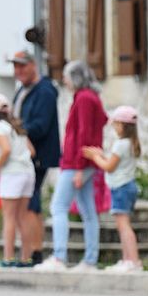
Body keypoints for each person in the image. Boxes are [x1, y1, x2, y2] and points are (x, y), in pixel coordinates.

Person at [35, 61, 107, 272]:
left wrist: (77, 167)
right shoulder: (91, 97)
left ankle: (59, 257)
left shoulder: (83, 98)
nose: (64, 81)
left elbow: (83, 134)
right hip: (85, 162)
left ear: (75, 78)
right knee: (87, 210)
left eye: (66, 76)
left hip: (77, 162)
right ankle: (90, 260)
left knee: (58, 207)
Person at [9, 51, 60, 266]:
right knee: (30, 203)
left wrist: (18, 131)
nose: (18, 71)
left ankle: (33, 253)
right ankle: (33, 252)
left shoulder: (45, 90)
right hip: (24, 154)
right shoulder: (24, 89)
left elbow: (40, 125)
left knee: (30, 204)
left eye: (22, 66)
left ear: (33, 65)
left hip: (36, 155)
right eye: (15, 67)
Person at [82, 106, 143, 272]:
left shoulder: (120, 144)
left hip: (120, 188)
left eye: (116, 124)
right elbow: (116, 162)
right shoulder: (130, 143)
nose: (114, 128)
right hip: (128, 186)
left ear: (123, 125)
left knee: (123, 226)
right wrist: (100, 154)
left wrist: (95, 157)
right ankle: (128, 261)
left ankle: (132, 261)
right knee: (124, 225)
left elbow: (109, 167)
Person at [0, 93, 35, 267]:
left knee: (9, 217)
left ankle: (8, 258)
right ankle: (26, 258)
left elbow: (6, 150)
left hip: (12, 174)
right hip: (27, 172)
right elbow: (31, 151)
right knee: (23, 217)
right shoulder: (16, 126)